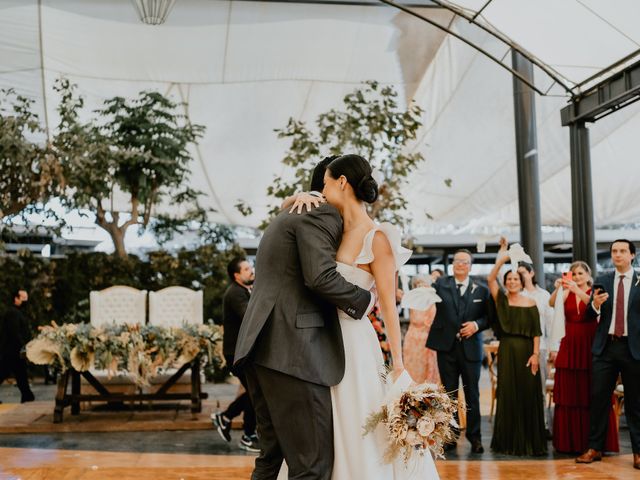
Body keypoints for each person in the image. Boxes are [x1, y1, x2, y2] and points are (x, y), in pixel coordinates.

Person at [233, 156, 374, 480]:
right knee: (312, 465)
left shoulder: (292, 212)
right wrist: (365, 301)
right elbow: (320, 277)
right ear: (333, 184)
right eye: (325, 182)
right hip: (293, 353)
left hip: (261, 349)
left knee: (271, 458)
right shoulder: (318, 212)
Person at [315, 153, 438, 479]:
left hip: (354, 343)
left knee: (358, 420)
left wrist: (398, 363)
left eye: (325, 183)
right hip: (321, 339)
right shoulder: (333, 228)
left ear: (342, 182)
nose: (322, 190)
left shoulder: (377, 236)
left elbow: (387, 305)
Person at [576, 239, 640, 471]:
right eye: (614, 251)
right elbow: (587, 316)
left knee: (636, 402)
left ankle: (638, 452)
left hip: (634, 349)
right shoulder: (602, 281)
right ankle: (594, 448)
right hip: (606, 348)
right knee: (599, 399)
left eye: (623, 251)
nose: (618, 255)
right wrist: (593, 304)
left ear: (632, 255)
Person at [549, 261, 619, 454]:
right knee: (570, 393)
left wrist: (576, 289)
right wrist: (558, 289)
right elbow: (553, 304)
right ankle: (569, 442)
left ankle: (596, 443)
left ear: (588, 276)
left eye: (580, 273)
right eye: (574, 274)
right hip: (569, 344)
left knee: (594, 393)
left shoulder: (595, 291)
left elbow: (594, 307)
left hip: (592, 344)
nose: (577, 277)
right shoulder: (567, 292)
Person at [426, 249, 491, 454]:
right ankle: (451, 437)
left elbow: (489, 317)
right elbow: (423, 291)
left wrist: (476, 325)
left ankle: (475, 438)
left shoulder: (481, 289)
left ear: (470, 266)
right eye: (456, 261)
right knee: (449, 394)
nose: (459, 264)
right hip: (446, 348)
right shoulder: (440, 284)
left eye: (464, 262)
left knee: (473, 393)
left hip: (471, 348)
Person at [488, 248, 547, 456]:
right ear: (506, 283)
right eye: (509, 279)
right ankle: (508, 442)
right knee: (508, 393)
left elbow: (536, 332)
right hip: (507, 350)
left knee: (528, 393)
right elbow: (490, 279)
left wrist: (535, 355)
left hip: (526, 352)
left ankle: (530, 440)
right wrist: (502, 260)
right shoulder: (501, 301)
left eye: (515, 279)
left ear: (522, 282)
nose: (512, 281)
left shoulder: (531, 302)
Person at [213, 257, 259, 452]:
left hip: (243, 352)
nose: (252, 270)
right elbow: (250, 317)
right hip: (237, 354)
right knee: (256, 392)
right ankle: (246, 433)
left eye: (251, 267)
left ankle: (230, 420)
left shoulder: (244, 290)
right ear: (237, 275)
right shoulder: (235, 294)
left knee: (255, 391)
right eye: (247, 269)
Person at [517, 259, 553, 436]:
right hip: (520, 347)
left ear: (531, 273)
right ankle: (523, 426)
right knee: (521, 388)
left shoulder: (544, 295)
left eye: (523, 272)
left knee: (540, 389)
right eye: (518, 274)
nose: (521, 276)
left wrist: (553, 348)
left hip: (542, 347)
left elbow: (550, 324)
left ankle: (543, 425)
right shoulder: (516, 294)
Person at [0, 289, 35, 403]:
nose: (26, 301)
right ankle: (27, 395)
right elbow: (15, 333)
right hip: (12, 350)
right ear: (16, 298)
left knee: (19, 373)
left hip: (13, 350)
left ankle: (27, 395)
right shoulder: (13, 313)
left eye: (26, 298)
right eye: (23, 298)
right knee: (8, 372)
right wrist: (23, 347)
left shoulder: (17, 312)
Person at [402, 276, 440, 384]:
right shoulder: (412, 300)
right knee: (411, 365)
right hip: (412, 338)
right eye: (418, 284)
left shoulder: (432, 301)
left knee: (426, 367)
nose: (420, 286)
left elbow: (431, 321)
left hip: (426, 337)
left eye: (423, 283)